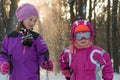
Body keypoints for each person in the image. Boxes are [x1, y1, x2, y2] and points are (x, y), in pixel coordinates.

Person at [0, 3, 53, 80]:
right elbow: (3, 55)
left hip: (32, 77)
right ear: (22, 18)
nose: (33, 23)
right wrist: (3, 64)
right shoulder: (9, 37)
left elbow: (43, 54)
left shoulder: (36, 38)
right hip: (14, 77)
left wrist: (45, 62)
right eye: (30, 19)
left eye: (35, 21)